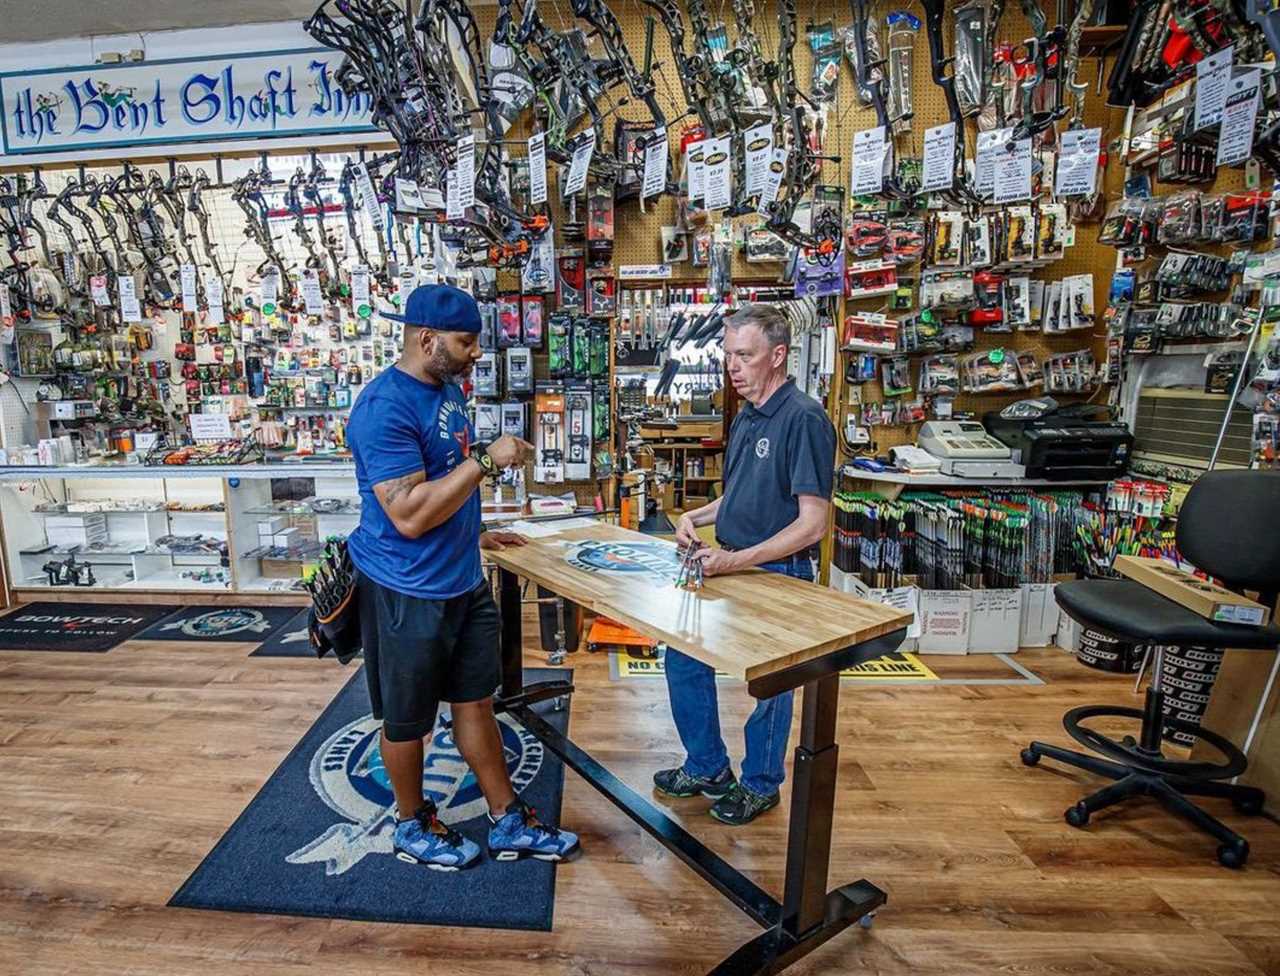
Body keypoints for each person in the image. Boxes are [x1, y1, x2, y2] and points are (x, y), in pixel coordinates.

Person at [346, 283, 580, 870]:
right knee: (407, 722)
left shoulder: (446, 390)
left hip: (460, 580)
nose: (477, 353)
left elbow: (440, 480)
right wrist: (486, 460)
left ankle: (506, 819)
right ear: (426, 339)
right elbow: (407, 513)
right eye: (466, 342)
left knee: (475, 703)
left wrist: (473, 535)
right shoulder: (383, 409)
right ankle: (410, 823)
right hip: (406, 589)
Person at [655, 303, 837, 826]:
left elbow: (812, 524)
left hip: (781, 573)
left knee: (772, 686)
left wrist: (736, 560)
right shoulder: (748, 414)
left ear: (778, 356)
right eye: (729, 355)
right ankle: (708, 767)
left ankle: (760, 784)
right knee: (683, 656)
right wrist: (694, 514)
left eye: (745, 355)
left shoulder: (803, 418)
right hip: (729, 564)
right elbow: (738, 497)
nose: (733, 367)